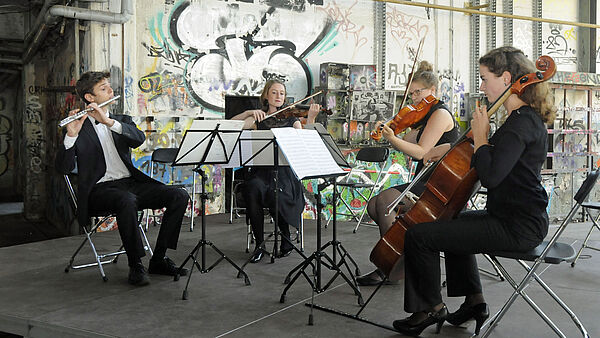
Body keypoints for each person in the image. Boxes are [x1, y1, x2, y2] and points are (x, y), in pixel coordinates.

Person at [391, 46, 556, 336]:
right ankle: (474, 302)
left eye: (484, 78)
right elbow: (494, 165)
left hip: (517, 227)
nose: (481, 86)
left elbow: (491, 176)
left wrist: (481, 138)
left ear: (506, 79)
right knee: (453, 219)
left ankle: (429, 308)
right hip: (514, 218)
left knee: (418, 236)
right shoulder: (522, 120)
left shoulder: (520, 125)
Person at [55, 71, 190, 286]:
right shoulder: (78, 126)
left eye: (109, 86)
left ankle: (159, 258)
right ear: (89, 97)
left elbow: (138, 139)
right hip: (99, 191)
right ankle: (135, 264)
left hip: (129, 183)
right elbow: (63, 167)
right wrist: (71, 136)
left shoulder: (120, 121)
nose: (111, 91)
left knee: (178, 195)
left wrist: (109, 122)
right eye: (103, 88)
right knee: (126, 200)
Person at [356, 61, 459, 286]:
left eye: (418, 92)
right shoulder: (422, 117)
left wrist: (393, 138)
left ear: (432, 90)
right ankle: (404, 258)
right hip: (423, 178)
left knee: (384, 202)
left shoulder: (440, 114)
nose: (413, 99)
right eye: (411, 94)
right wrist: (395, 131)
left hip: (439, 184)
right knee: (373, 204)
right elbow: (411, 147)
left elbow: (421, 152)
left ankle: (390, 266)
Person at [232, 79, 319, 263]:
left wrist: (310, 119)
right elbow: (231, 125)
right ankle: (260, 245)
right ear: (266, 95)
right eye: (274, 92)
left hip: (285, 174)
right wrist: (248, 112)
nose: (278, 96)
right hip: (261, 173)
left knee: (276, 191)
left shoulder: (292, 120)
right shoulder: (258, 118)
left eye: (281, 93)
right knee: (252, 188)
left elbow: (305, 143)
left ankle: (285, 238)